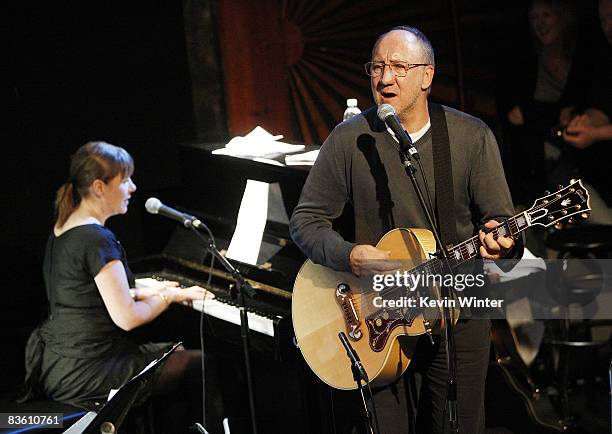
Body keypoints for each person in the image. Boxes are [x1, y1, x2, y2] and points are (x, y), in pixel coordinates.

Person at [290, 26, 521, 434]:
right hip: (377, 322)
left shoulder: (470, 137)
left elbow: (504, 229)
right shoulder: (350, 139)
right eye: (377, 67)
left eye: (398, 67)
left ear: (426, 77)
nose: (384, 79)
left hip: (457, 316)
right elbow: (305, 222)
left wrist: (503, 243)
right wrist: (349, 255)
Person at [20, 142, 207, 430]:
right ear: (99, 187)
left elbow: (90, 295)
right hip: (89, 370)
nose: (132, 188)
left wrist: (151, 292)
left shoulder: (65, 227)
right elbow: (128, 317)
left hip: (60, 364)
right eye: (125, 180)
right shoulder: (95, 239)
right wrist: (168, 295)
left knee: (177, 355)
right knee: (202, 365)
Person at [498, 0, 578, 207]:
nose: (540, 23)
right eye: (534, 18)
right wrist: (551, 115)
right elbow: (515, 115)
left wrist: (537, 114)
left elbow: (581, 108)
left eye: (546, 16)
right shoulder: (527, 58)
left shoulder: (580, 55)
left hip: (580, 147)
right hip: (539, 150)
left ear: (562, 17)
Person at [557, 0, 612, 224]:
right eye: (603, 20)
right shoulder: (604, 56)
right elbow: (602, 104)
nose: (608, 27)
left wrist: (597, 133)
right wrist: (585, 122)